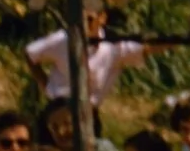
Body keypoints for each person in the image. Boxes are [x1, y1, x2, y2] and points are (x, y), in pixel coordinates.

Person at [25, 7, 153, 104]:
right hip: (59, 107)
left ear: (102, 18)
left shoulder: (112, 47)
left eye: (89, 20)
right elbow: (31, 53)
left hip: (89, 113)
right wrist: (46, 86)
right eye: (79, 21)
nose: (84, 26)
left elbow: (146, 48)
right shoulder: (62, 39)